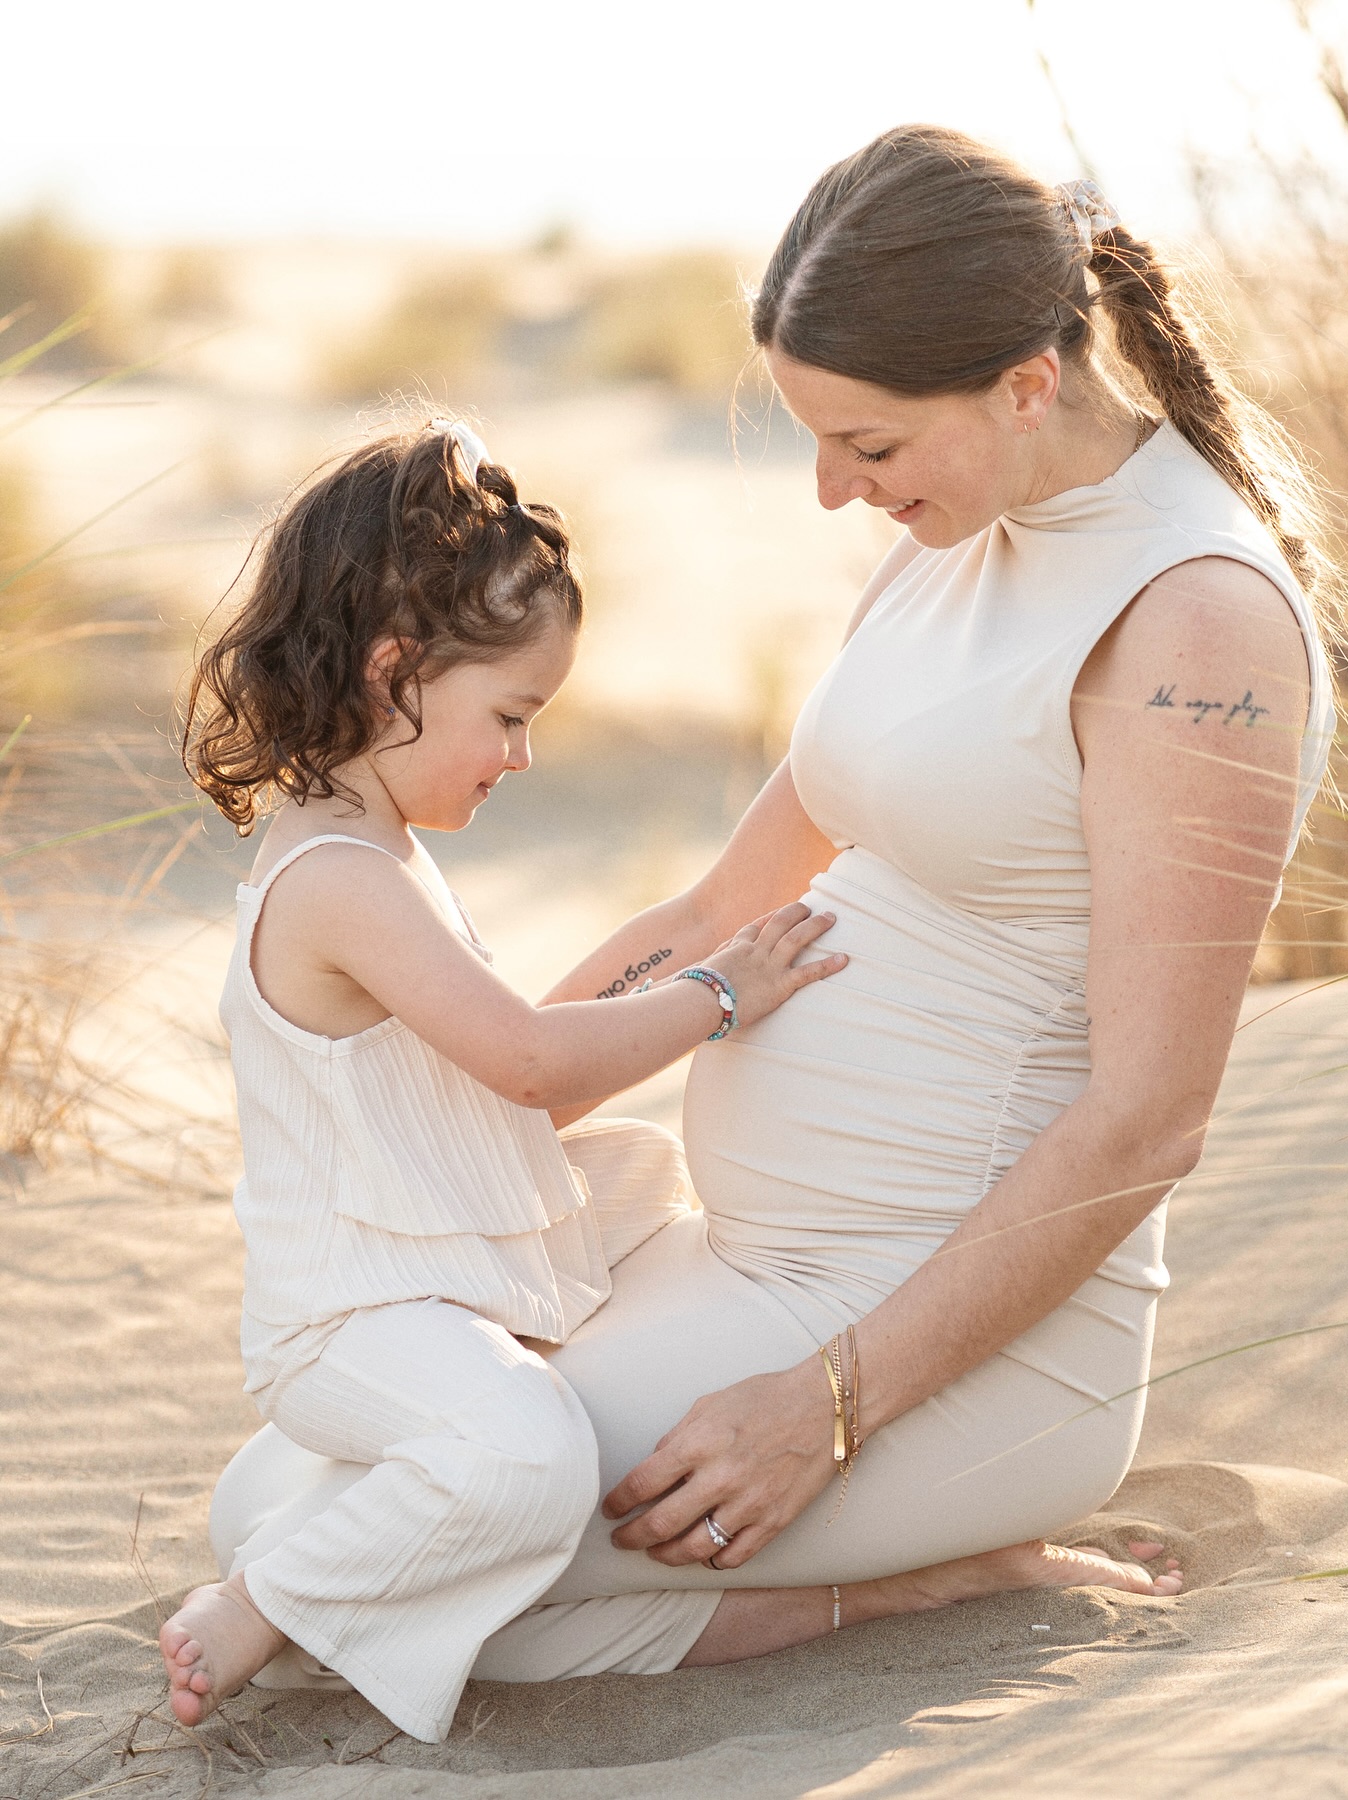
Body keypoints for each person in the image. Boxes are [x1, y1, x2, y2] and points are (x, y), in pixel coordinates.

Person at [208, 126, 1337, 1698]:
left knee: (350, 1568)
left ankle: (914, 1554)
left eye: (867, 446)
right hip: (735, 1261)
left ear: (1024, 381)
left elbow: (1148, 1122)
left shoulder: (1196, 622)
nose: (832, 492)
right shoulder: (948, 548)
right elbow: (731, 904)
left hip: (931, 1337)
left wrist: (825, 1405)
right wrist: (490, 1136)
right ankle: (889, 1584)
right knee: (278, 1508)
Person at [160, 418, 850, 1741]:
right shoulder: (338, 881)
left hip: (415, 1270)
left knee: (633, 1188)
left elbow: (517, 1050)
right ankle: (268, 1600)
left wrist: (706, 931)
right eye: (510, 717)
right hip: (349, 1316)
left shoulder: (370, 846)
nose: (522, 758)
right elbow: (532, 1064)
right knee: (529, 1461)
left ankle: (426, 1506)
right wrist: (718, 997)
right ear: (395, 671)